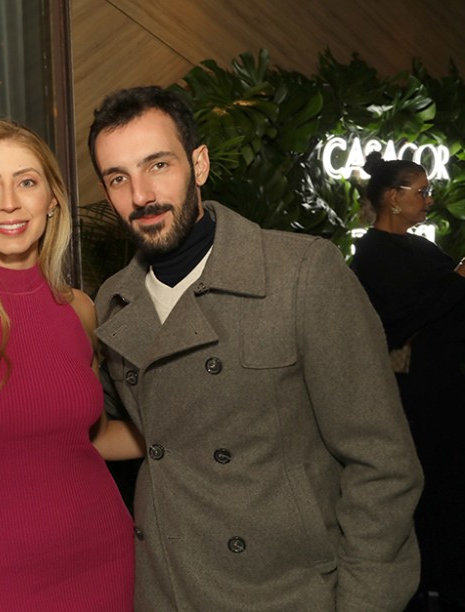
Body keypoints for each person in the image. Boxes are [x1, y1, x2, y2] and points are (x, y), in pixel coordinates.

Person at [87, 85, 424, 611]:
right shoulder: (114, 300)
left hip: (286, 591)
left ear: (198, 164)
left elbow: (382, 463)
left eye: (158, 165)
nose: (141, 195)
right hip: (167, 588)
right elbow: (95, 420)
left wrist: (363, 602)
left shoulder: (300, 273)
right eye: (118, 178)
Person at [0, 119, 138, 612]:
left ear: (52, 199)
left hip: (101, 555)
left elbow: (88, 438)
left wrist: (186, 433)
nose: (9, 202)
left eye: (27, 182)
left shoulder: (80, 308)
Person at [351, 152, 465, 610]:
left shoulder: (421, 249)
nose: (429, 199)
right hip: (412, 402)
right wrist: (457, 280)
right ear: (394, 199)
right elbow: (395, 320)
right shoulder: (373, 256)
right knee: (429, 490)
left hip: (445, 389)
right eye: (420, 191)